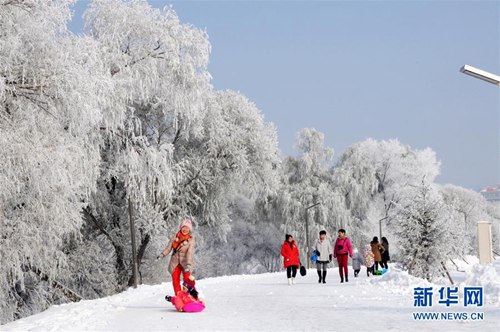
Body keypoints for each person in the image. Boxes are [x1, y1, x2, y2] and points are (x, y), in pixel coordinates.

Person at [159, 219, 196, 297]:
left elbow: (189, 253)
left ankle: (190, 296)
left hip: (186, 263)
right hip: (174, 263)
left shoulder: (191, 240)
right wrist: (163, 254)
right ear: (181, 227)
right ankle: (179, 297)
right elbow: (168, 248)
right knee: (175, 281)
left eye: (187, 228)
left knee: (188, 281)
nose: (185, 229)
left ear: (189, 230)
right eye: (184, 227)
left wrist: (188, 264)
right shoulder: (174, 237)